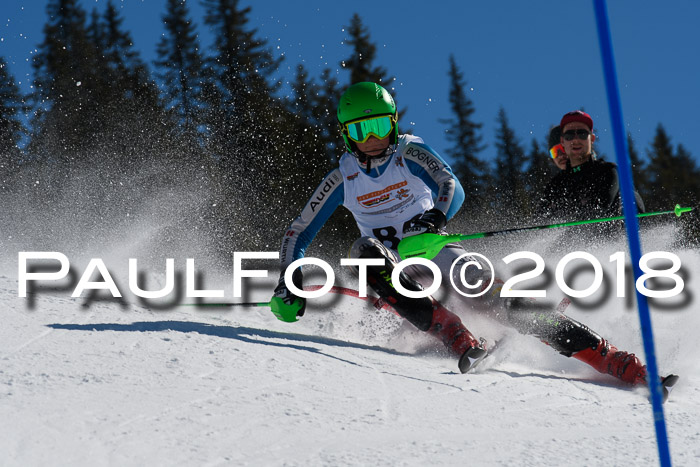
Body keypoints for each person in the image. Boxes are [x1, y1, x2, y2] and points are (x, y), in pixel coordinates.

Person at [270, 83, 663, 394]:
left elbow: (450, 185)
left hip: (437, 252)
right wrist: (288, 281)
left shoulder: (409, 152)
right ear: (345, 134)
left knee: (509, 304)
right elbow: (298, 232)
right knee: (363, 251)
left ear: (392, 122)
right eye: (360, 130)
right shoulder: (343, 176)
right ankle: (456, 336)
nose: (371, 139)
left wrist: (435, 216)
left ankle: (618, 363)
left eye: (378, 126)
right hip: (394, 276)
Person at [538, 110, 644, 221]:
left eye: (582, 134)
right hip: (570, 235)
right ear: (563, 141)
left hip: (614, 233)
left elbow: (600, 209)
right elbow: (540, 221)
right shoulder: (555, 185)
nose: (576, 139)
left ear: (592, 139)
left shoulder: (607, 171)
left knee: (627, 192)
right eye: (569, 135)